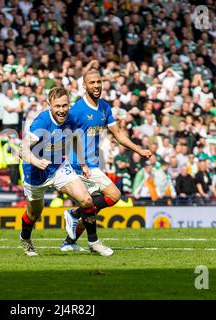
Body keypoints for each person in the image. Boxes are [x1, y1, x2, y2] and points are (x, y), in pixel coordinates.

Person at [61, 69, 151, 251]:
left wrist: (138, 149)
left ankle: (69, 241)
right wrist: (82, 163)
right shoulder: (77, 110)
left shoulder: (104, 107)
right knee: (113, 195)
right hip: (79, 165)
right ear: (84, 86)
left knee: (93, 208)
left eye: (98, 82)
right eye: (92, 83)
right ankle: (82, 227)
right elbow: (70, 137)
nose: (96, 85)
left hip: (92, 164)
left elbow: (117, 134)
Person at [20, 87, 99, 256]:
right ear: (49, 105)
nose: (62, 110)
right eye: (57, 106)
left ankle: (94, 242)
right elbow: (22, 149)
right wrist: (36, 161)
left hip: (58, 167)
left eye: (65, 105)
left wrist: (83, 164)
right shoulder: (41, 122)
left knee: (86, 200)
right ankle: (25, 238)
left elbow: (75, 138)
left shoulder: (72, 119)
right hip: (34, 173)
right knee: (34, 215)